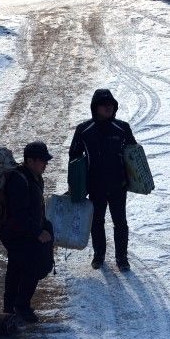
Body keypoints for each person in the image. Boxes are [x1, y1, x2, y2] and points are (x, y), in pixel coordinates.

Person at [69, 89, 137, 271]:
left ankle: (122, 257)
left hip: (118, 184)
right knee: (96, 221)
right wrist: (75, 185)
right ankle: (99, 254)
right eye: (104, 104)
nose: (108, 107)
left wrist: (137, 180)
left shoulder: (122, 128)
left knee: (120, 221)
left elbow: (134, 154)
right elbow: (74, 157)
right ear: (95, 107)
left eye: (111, 104)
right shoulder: (84, 130)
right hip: (95, 185)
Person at [0, 141, 54, 323]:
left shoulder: (34, 177)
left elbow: (34, 208)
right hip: (16, 234)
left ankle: (11, 307)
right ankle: (20, 306)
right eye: (42, 161)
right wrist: (38, 232)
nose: (45, 164)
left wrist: (44, 225)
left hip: (23, 233)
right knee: (34, 265)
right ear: (30, 161)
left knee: (18, 267)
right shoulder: (19, 181)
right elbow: (19, 214)